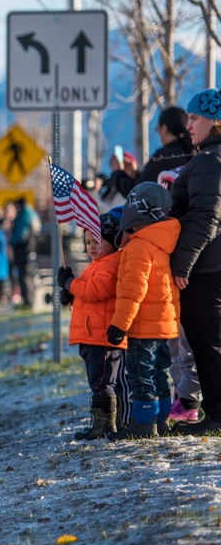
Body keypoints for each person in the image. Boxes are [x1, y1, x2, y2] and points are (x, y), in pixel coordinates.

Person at [105, 182, 180, 440]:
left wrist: (119, 325)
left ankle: (144, 424)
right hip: (162, 325)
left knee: (140, 374)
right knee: (159, 373)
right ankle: (161, 420)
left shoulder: (139, 246)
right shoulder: (163, 242)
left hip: (142, 326)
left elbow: (132, 290)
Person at [170, 88, 221, 435]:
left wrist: (180, 266)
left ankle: (216, 416)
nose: (189, 125)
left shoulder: (207, 161)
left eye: (195, 117)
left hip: (205, 269)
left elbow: (205, 217)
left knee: (208, 341)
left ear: (215, 120)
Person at [57, 212, 126, 440]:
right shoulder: (97, 264)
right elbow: (86, 297)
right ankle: (100, 423)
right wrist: (70, 295)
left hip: (103, 336)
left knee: (104, 382)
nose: (91, 247)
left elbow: (94, 291)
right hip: (90, 335)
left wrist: (70, 283)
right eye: (88, 242)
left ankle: (106, 425)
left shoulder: (112, 264)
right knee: (96, 381)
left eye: (97, 241)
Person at [136, 107, 195, 185]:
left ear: (164, 128)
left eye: (158, 128)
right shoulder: (193, 152)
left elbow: (139, 189)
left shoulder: (161, 158)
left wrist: (118, 173)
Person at [8, 198, 38, 307]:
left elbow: (20, 235)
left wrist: (11, 241)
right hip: (28, 249)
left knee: (23, 275)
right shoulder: (30, 213)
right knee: (26, 274)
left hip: (22, 250)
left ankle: (27, 299)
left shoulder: (23, 215)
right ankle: (28, 298)